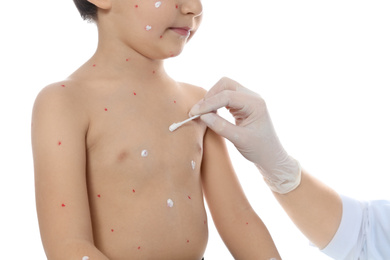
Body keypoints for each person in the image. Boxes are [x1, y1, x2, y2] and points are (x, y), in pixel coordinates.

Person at [31, 1, 281, 259]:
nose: (194, 7)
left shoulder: (197, 103)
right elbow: (68, 246)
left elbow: (238, 218)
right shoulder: (65, 103)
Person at [189, 77, 390, 260]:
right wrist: (279, 169)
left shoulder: (191, 99)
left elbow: (236, 215)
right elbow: (364, 236)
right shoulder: (194, 103)